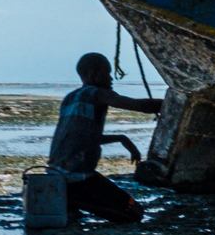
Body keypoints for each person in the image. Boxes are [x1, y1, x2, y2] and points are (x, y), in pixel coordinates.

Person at [47, 51, 162, 224]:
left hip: (55, 174)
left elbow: (81, 138)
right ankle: (75, 199)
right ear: (92, 74)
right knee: (134, 212)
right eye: (107, 73)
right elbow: (138, 105)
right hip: (79, 178)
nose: (111, 78)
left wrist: (122, 138)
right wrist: (171, 103)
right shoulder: (98, 94)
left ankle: (71, 202)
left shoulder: (70, 98)